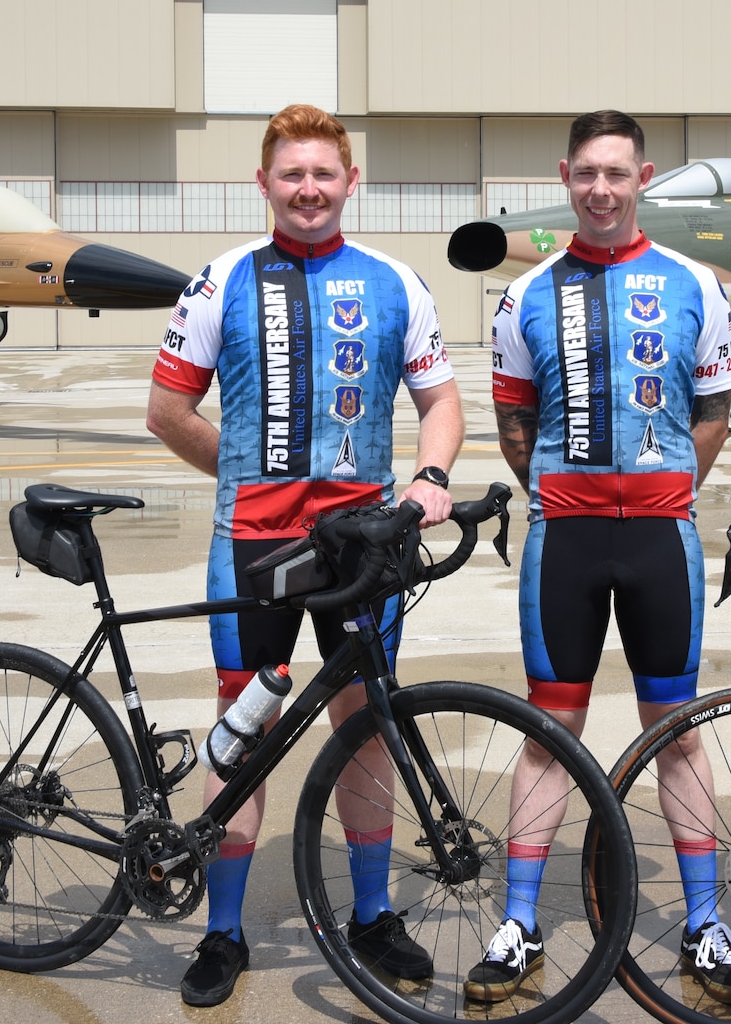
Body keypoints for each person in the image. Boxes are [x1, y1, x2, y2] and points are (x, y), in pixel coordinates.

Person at [146, 103, 465, 1007]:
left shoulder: (394, 280)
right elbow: (167, 411)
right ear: (264, 183)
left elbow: (443, 401)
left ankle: (370, 915)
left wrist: (430, 476)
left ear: (350, 181)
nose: (310, 188)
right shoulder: (222, 279)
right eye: (292, 174)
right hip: (252, 545)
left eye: (324, 172)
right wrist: (245, 474)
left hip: (362, 548)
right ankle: (222, 929)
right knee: (238, 735)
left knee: (368, 726)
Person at [475, 110, 731, 1004]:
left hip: (660, 538)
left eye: (617, 173)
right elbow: (514, 418)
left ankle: (705, 924)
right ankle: (520, 923)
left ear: (644, 177)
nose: (601, 189)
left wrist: (661, 488)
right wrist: (569, 491)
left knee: (675, 734)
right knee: (549, 733)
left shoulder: (695, 286)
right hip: (566, 535)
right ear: (566, 175)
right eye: (587, 173)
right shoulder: (526, 295)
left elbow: (713, 412)